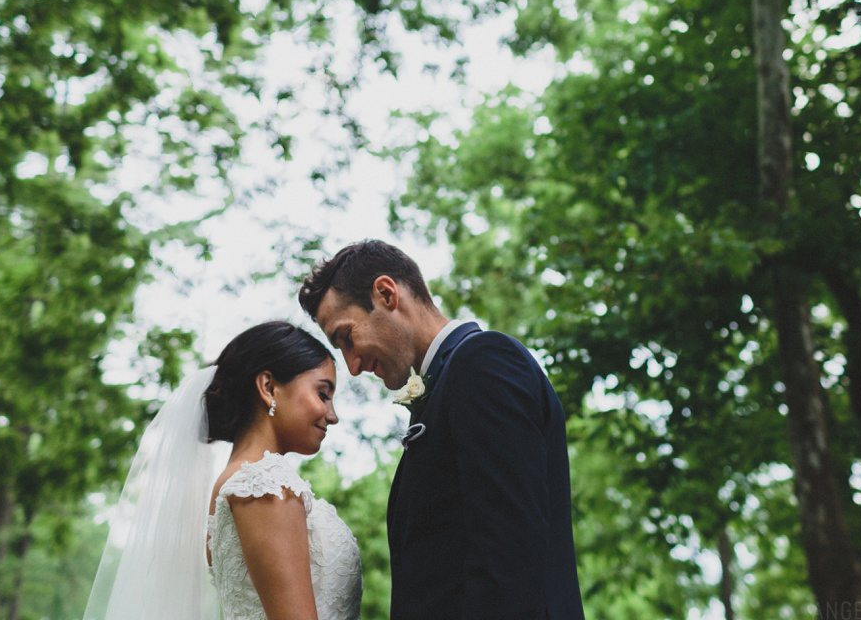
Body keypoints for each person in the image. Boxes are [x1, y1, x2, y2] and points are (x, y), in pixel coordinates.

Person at [299, 240, 585, 620]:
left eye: (347, 337)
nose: (351, 366)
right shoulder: (451, 382)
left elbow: (510, 554)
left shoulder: (483, 362)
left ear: (386, 294)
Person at [83, 320, 363, 620]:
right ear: (269, 387)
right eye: (323, 394)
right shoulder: (264, 486)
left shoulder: (234, 486)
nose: (332, 416)